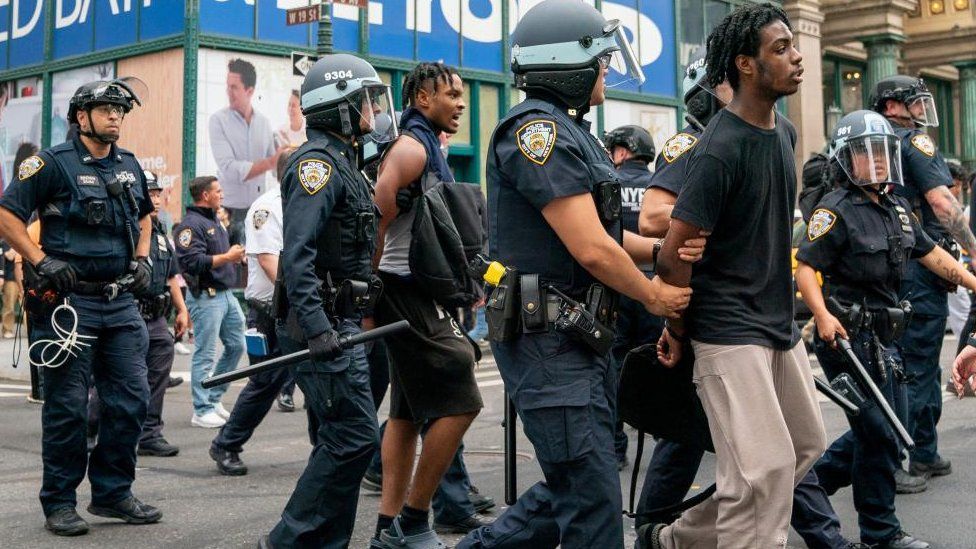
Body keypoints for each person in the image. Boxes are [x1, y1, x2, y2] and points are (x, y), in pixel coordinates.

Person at [458, 1, 703, 546]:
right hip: (550, 341)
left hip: (575, 339)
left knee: (576, 484)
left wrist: (666, 244)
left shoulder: (574, 133)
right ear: (567, 65)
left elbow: (611, 238)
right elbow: (592, 250)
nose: (608, 69)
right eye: (600, 58)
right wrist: (655, 296)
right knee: (590, 494)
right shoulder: (536, 134)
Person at [636, 50, 854, 549]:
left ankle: (673, 540)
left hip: (774, 319)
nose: (797, 57)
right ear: (742, 68)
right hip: (726, 323)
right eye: (781, 49)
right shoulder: (704, 144)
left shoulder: (783, 134)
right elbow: (658, 228)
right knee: (756, 471)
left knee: (800, 448)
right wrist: (693, 232)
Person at [797, 110, 976, 548]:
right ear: (846, 160)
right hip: (847, 338)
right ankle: (881, 531)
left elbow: (932, 254)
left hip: (887, 339)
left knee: (890, 430)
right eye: (865, 153)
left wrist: (973, 280)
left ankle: (804, 490)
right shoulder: (834, 211)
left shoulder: (897, 209)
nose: (877, 161)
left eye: (882, 152)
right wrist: (821, 315)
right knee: (878, 430)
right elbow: (805, 267)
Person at [0, 78, 161, 536]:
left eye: (120, 110)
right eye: (106, 109)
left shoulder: (129, 165)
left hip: (121, 302)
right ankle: (60, 502)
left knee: (132, 401)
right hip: (69, 306)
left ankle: (112, 494)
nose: (115, 116)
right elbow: (7, 214)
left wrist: (144, 259)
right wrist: (40, 259)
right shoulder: (50, 163)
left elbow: (147, 215)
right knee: (68, 408)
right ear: (80, 116)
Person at [261, 52, 397, 548]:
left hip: (340, 319)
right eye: (364, 101)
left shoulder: (345, 163)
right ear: (339, 107)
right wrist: (318, 329)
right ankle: (285, 541)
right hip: (319, 323)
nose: (372, 110)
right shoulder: (317, 166)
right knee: (353, 438)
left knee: (340, 440)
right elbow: (298, 258)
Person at [372, 62, 490, 547]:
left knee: (405, 411)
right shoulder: (412, 148)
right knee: (463, 390)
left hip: (417, 288)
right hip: (401, 289)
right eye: (451, 95)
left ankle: (388, 525)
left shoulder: (427, 146)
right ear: (422, 99)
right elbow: (376, 216)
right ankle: (416, 521)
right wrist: (368, 294)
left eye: (462, 96)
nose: (461, 103)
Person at [870, 75, 976, 488]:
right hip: (922, 266)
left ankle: (925, 451)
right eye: (915, 103)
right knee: (916, 365)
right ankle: (902, 460)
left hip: (892, 266)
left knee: (917, 362)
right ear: (893, 106)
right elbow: (943, 202)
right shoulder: (914, 143)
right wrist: (973, 250)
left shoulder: (873, 143)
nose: (921, 112)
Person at [208, 149, 293, 476]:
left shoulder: (305, 203)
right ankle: (226, 444)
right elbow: (270, 263)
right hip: (270, 311)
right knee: (265, 383)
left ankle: (328, 450)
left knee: (318, 382)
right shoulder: (267, 207)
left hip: (299, 308)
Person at [603, 123, 656, 470]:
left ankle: (615, 446)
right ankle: (671, 437)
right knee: (660, 362)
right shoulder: (660, 185)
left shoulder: (609, 183)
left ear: (623, 152)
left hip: (620, 287)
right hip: (656, 287)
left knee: (615, 365)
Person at [174, 176, 246, 428]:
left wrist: (234, 258)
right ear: (205, 195)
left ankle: (213, 398)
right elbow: (191, 262)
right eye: (218, 190)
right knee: (205, 353)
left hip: (226, 294)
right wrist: (228, 256)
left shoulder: (214, 220)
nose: (222, 194)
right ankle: (201, 409)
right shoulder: (190, 226)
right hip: (207, 296)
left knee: (237, 345)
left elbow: (217, 257)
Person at [136, 171, 190, 457]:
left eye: (157, 193)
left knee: (158, 373)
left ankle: (149, 433)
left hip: (156, 316)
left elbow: (171, 275)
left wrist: (181, 309)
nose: (155, 199)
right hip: (130, 312)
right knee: (119, 376)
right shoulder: (130, 226)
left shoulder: (159, 232)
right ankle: (92, 426)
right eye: (150, 193)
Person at [209, 58, 286, 234]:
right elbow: (229, 169)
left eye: (234, 87)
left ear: (250, 90)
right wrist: (271, 161)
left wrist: (286, 155)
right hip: (228, 211)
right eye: (228, 86)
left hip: (259, 210)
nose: (228, 92)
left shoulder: (264, 123)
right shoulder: (218, 121)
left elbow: (276, 170)